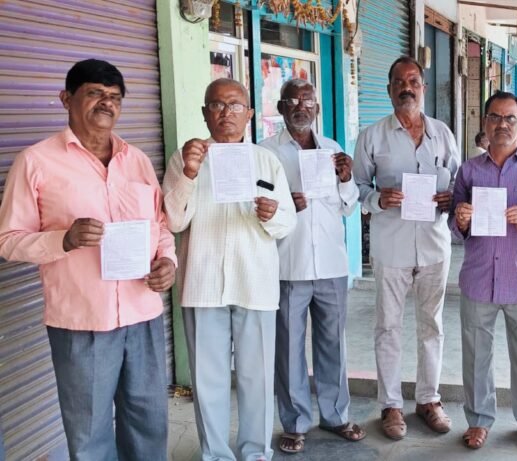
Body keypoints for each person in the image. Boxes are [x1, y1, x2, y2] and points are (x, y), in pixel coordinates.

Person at [0, 59, 176, 461]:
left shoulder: (137, 160)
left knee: (149, 424)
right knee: (89, 433)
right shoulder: (36, 162)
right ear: (67, 99)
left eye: (115, 97)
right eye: (95, 93)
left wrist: (168, 261)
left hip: (143, 313)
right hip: (81, 322)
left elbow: (160, 226)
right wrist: (64, 239)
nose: (106, 103)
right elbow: (8, 241)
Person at [163, 78, 296, 460]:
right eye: (217, 105)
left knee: (257, 378)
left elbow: (287, 223)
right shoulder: (185, 158)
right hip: (202, 284)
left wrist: (272, 214)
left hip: (254, 283)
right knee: (208, 382)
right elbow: (173, 220)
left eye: (235, 105)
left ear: (249, 113)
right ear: (205, 113)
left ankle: (255, 453)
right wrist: (189, 175)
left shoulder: (266, 161)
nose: (226, 113)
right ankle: (216, 455)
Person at [353, 56, 461, 440]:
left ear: (424, 88)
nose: (407, 88)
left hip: (434, 245)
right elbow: (356, 188)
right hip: (391, 246)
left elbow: (458, 183)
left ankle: (429, 400)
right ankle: (391, 405)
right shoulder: (372, 137)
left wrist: (451, 198)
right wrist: (378, 199)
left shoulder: (443, 135)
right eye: (399, 82)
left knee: (432, 325)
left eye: (413, 81)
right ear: (389, 90)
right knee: (388, 327)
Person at [258, 78, 365, 453]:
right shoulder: (266, 152)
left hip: (332, 264)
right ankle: (295, 422)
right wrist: (286, 203)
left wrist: (346, 178)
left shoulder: (332, 150)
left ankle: (336, 416)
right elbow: (257, 204)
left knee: (334, 344)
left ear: (317, 109)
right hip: (290, 264)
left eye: (308, 101)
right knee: (288, 349)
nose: (301, 107)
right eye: (292, 101)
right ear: (281, 108)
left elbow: (349, 207)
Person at [450, 91, 517, 451]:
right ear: (485, 123)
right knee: (477, 355)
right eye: (495, 117)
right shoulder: (468, 170)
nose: (502, 124)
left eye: (510, 118)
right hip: (478, 278)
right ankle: (479, 420)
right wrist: (461, 219)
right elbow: (454, 225)